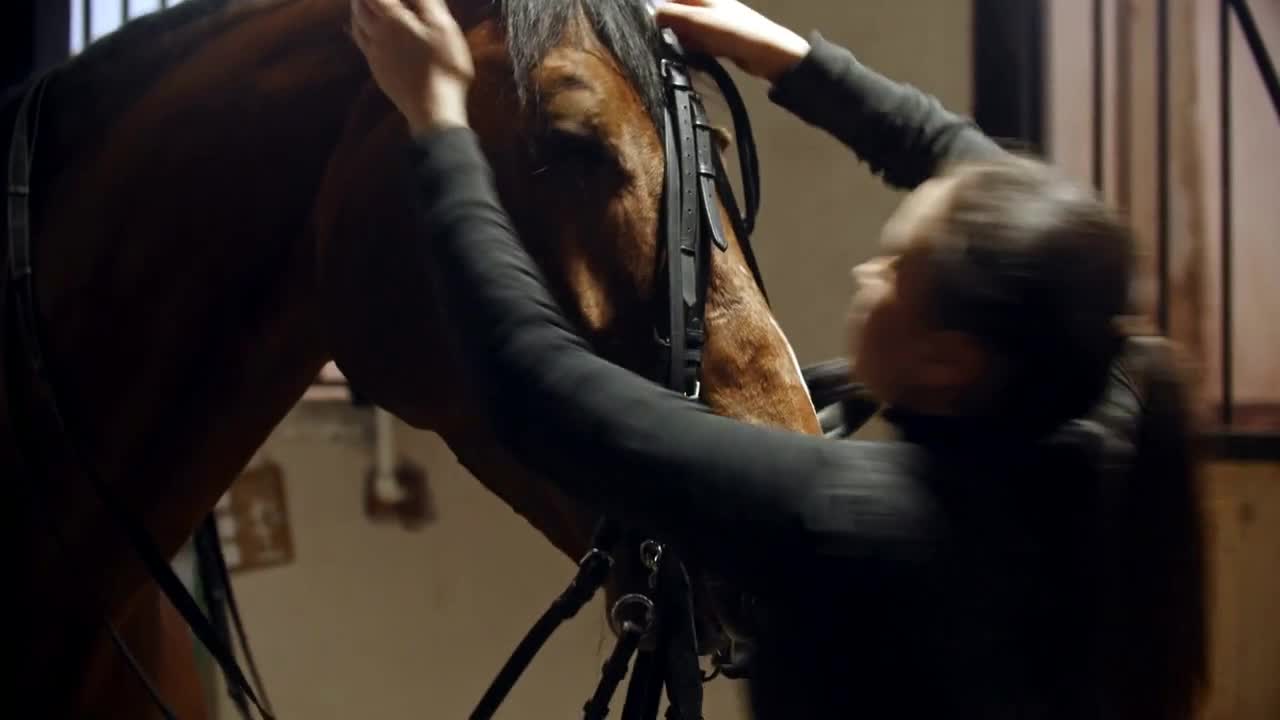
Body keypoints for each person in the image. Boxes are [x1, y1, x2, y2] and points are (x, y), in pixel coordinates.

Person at [351, 0, 1208, 717]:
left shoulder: (849, 522)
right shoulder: (1098, 401)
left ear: (949, 362)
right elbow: (1001, 195)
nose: (867, 273)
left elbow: (535, 384)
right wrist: (786, 56)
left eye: (896, 270)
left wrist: (437, 120)